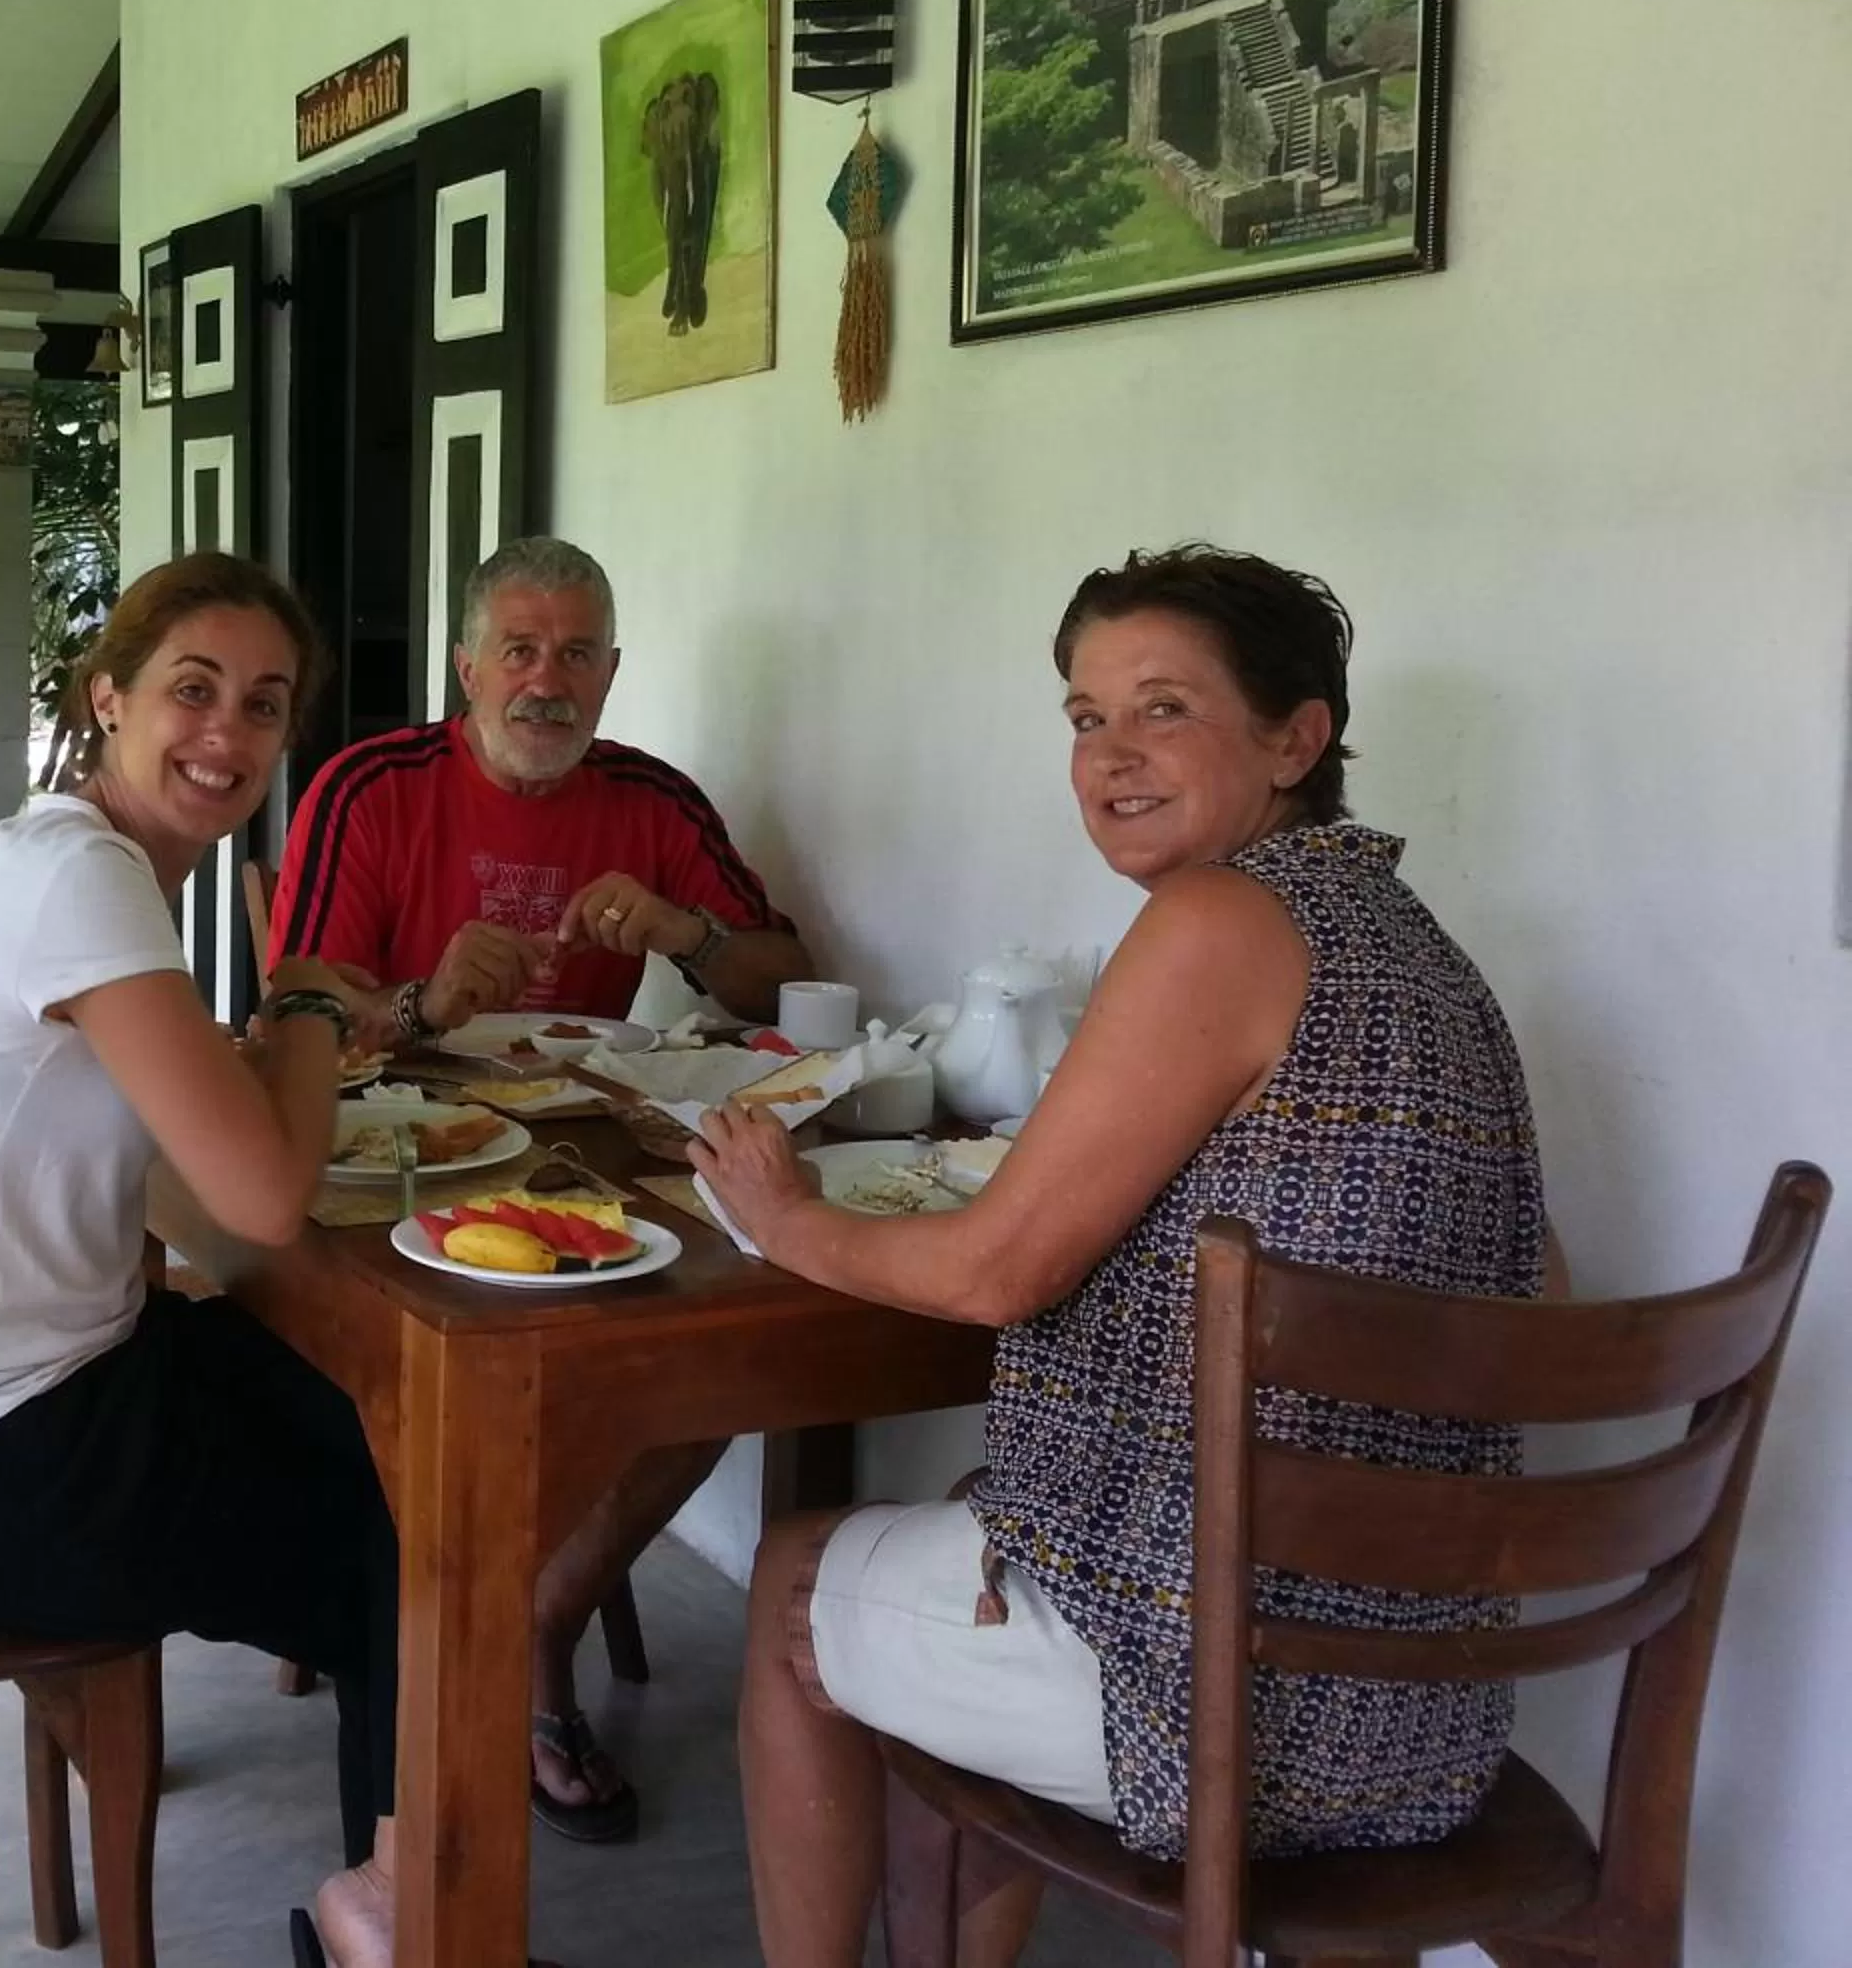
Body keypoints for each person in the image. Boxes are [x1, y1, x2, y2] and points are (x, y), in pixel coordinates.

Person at [694, 546, 1546, 1968]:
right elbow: (1538, 1299)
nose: (1110, 755)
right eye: (1087, 718)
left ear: (1298, 736)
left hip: (1228, 1706)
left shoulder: (1222, 917)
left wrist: (782, 1215)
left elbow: (993, 1272)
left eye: (1163, 708)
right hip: (1434, 1709)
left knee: (796, 1585)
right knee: (974, 1528)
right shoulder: (1431, 959)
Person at [0, 552, 407, 1968]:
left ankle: (399, 1858)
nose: (229, 735)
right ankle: (393, 1914)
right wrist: (316, 992)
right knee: (419, 1530)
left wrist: (283, 1049)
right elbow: (266, 1195)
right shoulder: (86, 878)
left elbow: (195, 1190)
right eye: (193, 691)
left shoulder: (61, 858)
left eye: (264, 707)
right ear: (110, 698)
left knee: (375, 1431)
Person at [269, 533, 815, 1844]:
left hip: (580, 1160)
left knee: (717, 1350)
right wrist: (418, 998)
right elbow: (292, 1002)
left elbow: (786, 973)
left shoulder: (653, 800)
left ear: (614, 670)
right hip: (383, 1161)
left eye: (576, 652)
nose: (545, 679)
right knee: (464, 1373)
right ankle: (447, 1633)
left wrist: (686, 934)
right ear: (467, 664)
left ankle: (533, 1618)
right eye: (518, 648)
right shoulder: (372, 783)